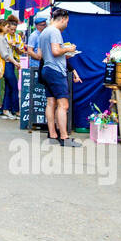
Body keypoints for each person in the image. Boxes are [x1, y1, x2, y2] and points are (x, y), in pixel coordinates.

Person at [39, 8, 83, 147]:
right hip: (56, 71)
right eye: (67, 21)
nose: (67, 25)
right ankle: (64, 137)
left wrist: (62, 53)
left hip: (46, 69)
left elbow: (41, 54)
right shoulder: (55, 31)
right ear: (63, 19)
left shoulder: (44, 32)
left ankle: (53, 135)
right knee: (63, 105)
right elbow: (56, 51)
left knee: (51, 103)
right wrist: (68, 49)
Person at [0, 16, 21, 118]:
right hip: (7, 65)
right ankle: (15, 110)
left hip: (9, 64)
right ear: (1, 27)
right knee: (13, 87)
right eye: (6, 26)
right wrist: (15, 62)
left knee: (9, 88)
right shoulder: (0, 38)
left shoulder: (3, 38)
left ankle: (6, 109)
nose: (8, 28)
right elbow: (5, 55)